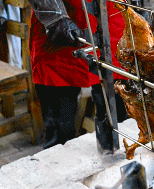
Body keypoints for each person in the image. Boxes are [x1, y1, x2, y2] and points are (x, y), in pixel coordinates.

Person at [28, 0, 127, 149]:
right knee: (60, 133)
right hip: (59, 27)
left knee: (119, 125)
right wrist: (56, 19)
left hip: (112, 23)